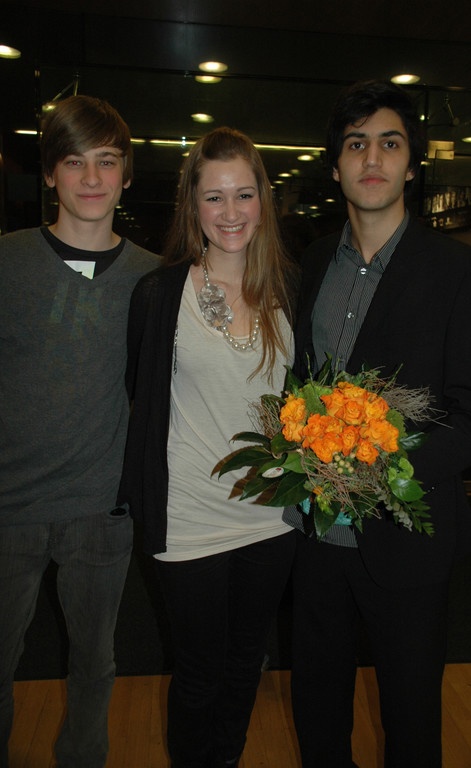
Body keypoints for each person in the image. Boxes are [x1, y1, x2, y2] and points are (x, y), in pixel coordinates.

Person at [282, 80, 471, 768]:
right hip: (314, 536)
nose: (371, 158)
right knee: (317, 710)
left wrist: (382, 473)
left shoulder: (463, 272)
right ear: (335, 165)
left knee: (410, 722)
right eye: (356, 144)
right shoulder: (313, 261)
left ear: (411, 165)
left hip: (407, 542)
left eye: (389, 143)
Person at [118, 126, 296, 768]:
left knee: (247, 663)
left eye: (243, 194)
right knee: (198, 673)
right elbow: (140, 393)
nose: (230, 212)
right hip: (190, 518)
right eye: (213, 197)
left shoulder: (289, 291)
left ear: (263, 201)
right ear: (192, 206)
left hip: (271, 519)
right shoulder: (161, 294)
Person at [0, 95, 158, 768]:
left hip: (101, 510)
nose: (91, 178)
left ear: (126, 175)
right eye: (73, 162)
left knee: (95, 663)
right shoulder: (6, 263)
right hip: (8, 508)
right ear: (49, 174)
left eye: (107, 161)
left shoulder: (155, 278)